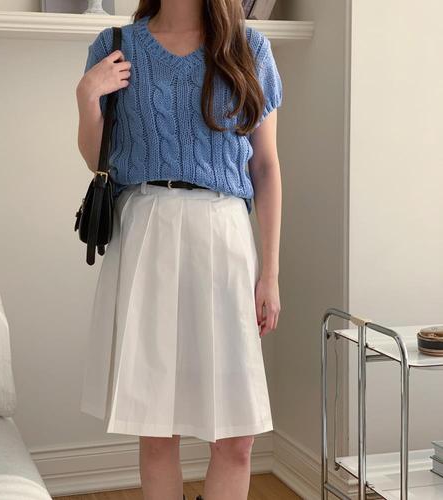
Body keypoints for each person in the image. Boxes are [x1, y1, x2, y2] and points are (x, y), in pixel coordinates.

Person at [76, 1, 283, 499]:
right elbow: (97, 158)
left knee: (236, 438)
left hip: (225, 236)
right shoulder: (115, 45)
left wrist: (270, 273)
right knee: (156, 428)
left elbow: (266, 167)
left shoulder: (249, 47)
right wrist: (86, 99)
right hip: (147, 232)